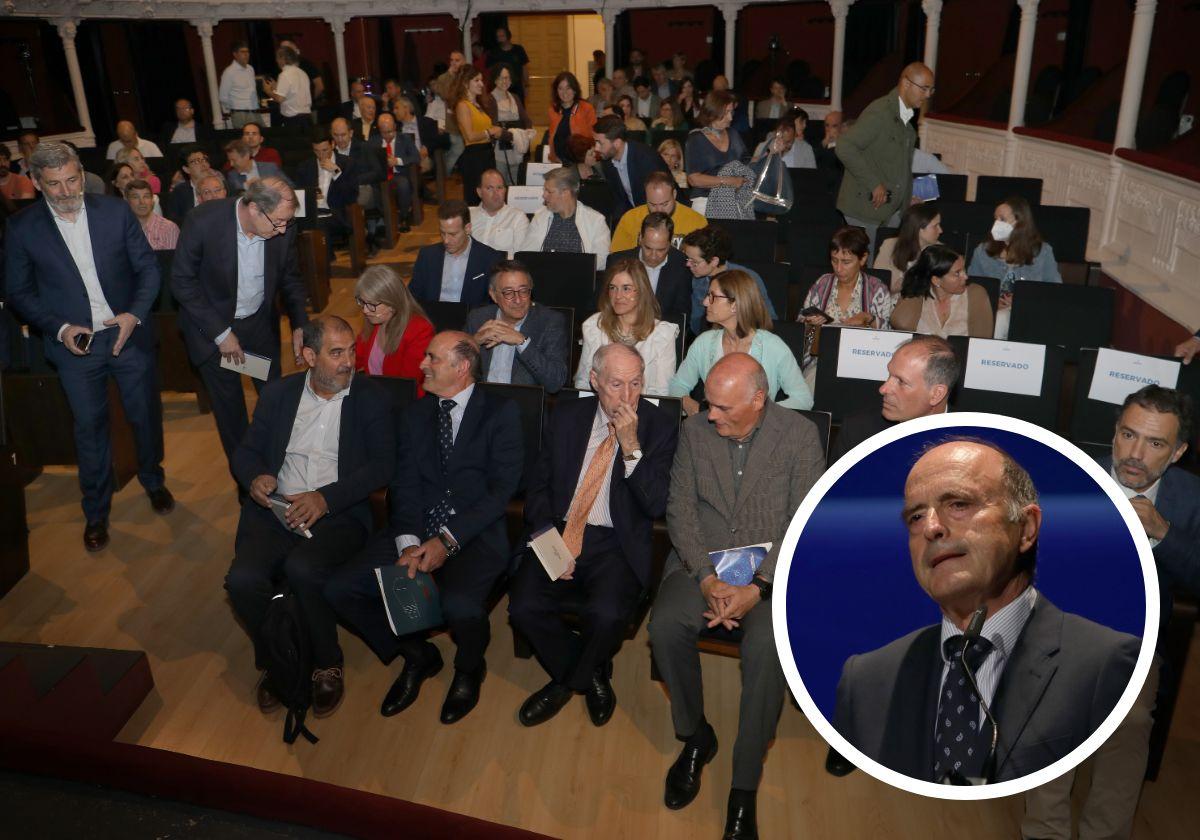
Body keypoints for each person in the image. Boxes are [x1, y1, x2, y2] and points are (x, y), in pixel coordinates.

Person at [834, 437, 1140, 783]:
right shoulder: (866, 679)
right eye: (916, 517)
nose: (932, 527)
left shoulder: (1106, 663)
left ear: (1026, 529)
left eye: (959, 504)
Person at [651, 353, 823, 840]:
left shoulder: (799, 436)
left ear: (758, 399)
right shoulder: (695, 431)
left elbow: (803, 519)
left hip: (770, 572)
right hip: (701, 560)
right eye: (709, 404)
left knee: (769, 651)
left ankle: (744, 783)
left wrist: (759, 585)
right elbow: (679, 509)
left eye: (723, 408)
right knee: (664, 628)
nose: (711, 416)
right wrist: (706, 578)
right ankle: (695, 736)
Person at [1023, 385, 1199, 840]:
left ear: (1178, 451)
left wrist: (1163, 534)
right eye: (1128, 435)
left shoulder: (1189, 497)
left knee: (1132, 720)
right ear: (1115, 432)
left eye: (1155, 443)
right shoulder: (1071, 475)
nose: (1135, 454)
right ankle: (1044, 831)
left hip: (1134, 640)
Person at [325, 331, 523, 724]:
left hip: (474, 533)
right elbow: (406, 485)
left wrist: (446, 542)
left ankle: (469, 669)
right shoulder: (415, 415)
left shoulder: (501, 413)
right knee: (339, 589)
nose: (422, 365)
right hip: (417, 528)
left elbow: (501, 493)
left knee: (460, 607)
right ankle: (418, 656)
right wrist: (408, 542)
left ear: (462, 367)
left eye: (432, 358)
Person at [4, 142, 172, 552]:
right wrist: (58, 328)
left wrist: (133, 314)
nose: (65, 191)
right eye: (54, 184)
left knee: (144, 414)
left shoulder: (114, 212)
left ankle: (153, 480)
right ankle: (96, 513)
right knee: (90, 430)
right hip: (74, 348)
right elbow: (19, 292)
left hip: (125, 336)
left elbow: (148, 269)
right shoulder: (23, 228)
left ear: (82, 174)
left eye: (72, 179)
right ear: (39, 185)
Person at [226, 315, 393, 717]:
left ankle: (326, 662)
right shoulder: (279, 395)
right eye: (336, 353)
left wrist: (325, 498)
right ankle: (280, 660)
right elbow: (245, 453)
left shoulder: (369, 398)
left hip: (337, 515)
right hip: (275, 510)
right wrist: (256, 478)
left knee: (303, 569)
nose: (348, 361)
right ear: (307, 356)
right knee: (242, 581)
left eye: (352, 350)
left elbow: (384, 465)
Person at [511, 342, 677, 727]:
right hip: (559, 530)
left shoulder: (659, 427)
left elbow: (656, 504)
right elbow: (538, 486)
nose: (627, 395)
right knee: (523, 608)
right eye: (616, 384)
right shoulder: (567, 415)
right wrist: (549, 541)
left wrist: (631, 446)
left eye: (636, 383)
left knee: (607, 615)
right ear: (594, 380)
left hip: (614, 543)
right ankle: (590, 671)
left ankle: (567, 682)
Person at [171, 177, 309, 472]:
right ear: (255, 208)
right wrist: (221, 335)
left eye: (288, 222)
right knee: (230, 409)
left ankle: (279, 465)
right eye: (278, 223)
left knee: (274, 397)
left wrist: (300, 324)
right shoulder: (203, 222)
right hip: (212, 332)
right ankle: (247, 478)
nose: (284, 230)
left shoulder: (282, 224)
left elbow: (291, 278)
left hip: (258, 327)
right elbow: (182, 282)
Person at [669, 269, 811, 413]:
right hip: (714, 430)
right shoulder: (704, 343)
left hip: (759, 433)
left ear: (735, 305)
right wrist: (692, 407)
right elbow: (677, 386)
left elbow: (803, 399)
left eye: (713, 297)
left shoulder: (773, 346)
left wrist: (761, 415)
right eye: (707, 295)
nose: (705, 302)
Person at [836, 63, 934, 256]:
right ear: (906, 84)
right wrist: (874, 184)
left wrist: (907, 198)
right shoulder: (880, 112)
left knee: (883, 268)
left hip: (890, 210)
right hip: (866, 208)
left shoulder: (906, 120)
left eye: (931, 89)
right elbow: (845, 147)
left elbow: (899, 167)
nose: (928, 95)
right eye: (924, 88)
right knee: (870, 271)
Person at [829, 335, 958, 463]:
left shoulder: (970, 441)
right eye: (889, 375)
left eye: (901, 381)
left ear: (936, 394)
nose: (883, 389)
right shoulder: (858, 432)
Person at [576, 259, 680, 395]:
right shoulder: (595, 326)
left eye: (626, 288)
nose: (618, 296)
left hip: (643, 410)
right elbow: (583, 381)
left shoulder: (661, 334)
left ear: (641, 291)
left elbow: (662, 392)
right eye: (613, 288)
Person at [466, 260, 569, 392]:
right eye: (508, 292)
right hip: (482, 401)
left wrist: (522, 342)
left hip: (522, 405)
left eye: (524, 291)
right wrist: (474, 342)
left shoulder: (549, 322)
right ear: (493, 295)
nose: (518, 300)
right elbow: (453, 371)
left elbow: (555, 382)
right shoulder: (478, 318)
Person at [968, 195, 1062, 340]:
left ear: (1020, 222)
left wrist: (1022, 300)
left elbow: (1054, 289)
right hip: (990, 309)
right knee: (999, 318)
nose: (996, 224)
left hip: (1029, 311)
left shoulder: (1043, 251)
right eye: (995, 218)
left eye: (1002, 219)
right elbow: (972, 286)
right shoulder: (982, 251)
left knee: (1003, 318)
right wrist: (992, 301)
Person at [801, 227, 894, 365]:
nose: (838, 268)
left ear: (862, 259)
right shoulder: (822, 283)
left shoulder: (877, 289)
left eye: (846, 262)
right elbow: (799, 327)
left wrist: (870, 319)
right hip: (821, 361)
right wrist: (809, 324)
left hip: (862, 363)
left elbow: (890, 336)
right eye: (834, 260)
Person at [681, 226, 777, 333]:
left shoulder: (746, 278)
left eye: (694, 262)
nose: (688, 264)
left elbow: (766, 321)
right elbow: (696, 322)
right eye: (687, 259)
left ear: (714, 261)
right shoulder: (697, 279)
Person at [409, 200, 503, 306]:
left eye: (452, 234)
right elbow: (413, 296)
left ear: (467, 228)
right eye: (442, 233)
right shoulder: (427, 256)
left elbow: (494, 303)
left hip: (472, 319)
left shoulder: (490, 258)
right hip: (433, 318)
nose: (446, 240)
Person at [352, 265, 433, 386]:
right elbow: (354, 359)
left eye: (371, 304)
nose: (365, 310)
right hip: (375, 391)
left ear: (392, 302)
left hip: (402, 399)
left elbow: (407, 385)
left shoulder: (419, 330)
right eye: (362, 302)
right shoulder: (374, 321)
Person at [608, 211, 694, 323]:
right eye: (648, 248)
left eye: (661, 250)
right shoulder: (617, 261)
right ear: (640, 239)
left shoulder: (682, 265)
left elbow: (682, 315)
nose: (653, 256)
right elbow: (605, 306)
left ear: (670, 243)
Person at [519, 166, 611, 270]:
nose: (544, 195)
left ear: (565, 193)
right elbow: (526, 254)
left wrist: (566, 266)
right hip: (544, 277)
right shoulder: (540, 217)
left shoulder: (596, 221)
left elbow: (602, 261)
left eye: (549, 191)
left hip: (579, 279)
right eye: (544, 190)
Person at [891, 244, 992, 338]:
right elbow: (901, 325)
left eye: (964, 270)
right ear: (936, 280)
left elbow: (981, 341)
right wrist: (914, 287)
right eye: (957, 273)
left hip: (962, 356)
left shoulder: (975, 294)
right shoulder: (918, 296)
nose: (965, 277)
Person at [292, 130, 359, 267]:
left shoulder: (347, 163)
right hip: (313, 212)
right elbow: (298, 194)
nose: (321, 155)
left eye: (325, 150)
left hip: (337, 213)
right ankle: (309, 267)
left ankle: (322, 266)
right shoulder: (305, 166)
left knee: (319, 224)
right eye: (317, 151)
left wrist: (336, 172)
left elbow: (352, 195)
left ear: (333, 145)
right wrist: (310, 196)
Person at [685, 90, 748, 215]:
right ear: (713, 112)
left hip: (733, 201)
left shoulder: (733, 134)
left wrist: (769, 152)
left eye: (732, 112)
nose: (730, 117)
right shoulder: (696, 139)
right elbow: (693, 179)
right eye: (726, 113)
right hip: (705, 201)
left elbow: (747, 163)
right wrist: (729, 181)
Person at [594, 115, 671, 218]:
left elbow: (659, 202)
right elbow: (619, 201)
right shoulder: (607, 160)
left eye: (600, 143)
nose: (596, 148)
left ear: (617, 143)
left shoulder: (647, 160)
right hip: (635, 217)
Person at [452, 66, 503, 208]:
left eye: (481, 80)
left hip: (486, 154)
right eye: (477, 80)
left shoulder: (478, 105)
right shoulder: (463, 106)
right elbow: (470, 136)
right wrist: (490, 132)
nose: (481, 84)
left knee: (488, 198)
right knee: (475, 199)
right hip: (474, 157)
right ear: (465, 83)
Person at [874, 202, 943, 294]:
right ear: (919, 229)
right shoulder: (890, 245)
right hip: (892, 301)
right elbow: (877, 284)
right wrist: (895, 288)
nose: (941, 230)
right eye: (935, 226)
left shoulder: (941, 251)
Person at [469, 169, 531, 258]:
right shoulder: (468, 215)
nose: (496, 193)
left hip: (503, 269)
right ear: (479, 192)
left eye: (499, 188)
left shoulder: (517, 217)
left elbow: (521, 256)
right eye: (489, 188)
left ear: (505, 191)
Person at [374, 113, 420, 232]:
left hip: (399, 174)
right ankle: (385, 218)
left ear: (395, 126)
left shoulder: (405, 139)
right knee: (373, 187)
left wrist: (397, 161)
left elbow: (416, 157)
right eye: (384, 132)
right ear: (379, 130)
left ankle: (403, 216)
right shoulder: (373, 142)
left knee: (403, 184)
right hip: (380, 176)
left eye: (390, 131)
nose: (388, 135)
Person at [487, 64, 532, 183]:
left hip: (517, 148)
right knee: (500, 183)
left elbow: (526, 120)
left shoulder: (515, 97)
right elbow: (493, 127)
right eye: (501, 78)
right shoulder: (490, 99)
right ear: (495, 79)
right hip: (500, 151)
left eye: (507, 78)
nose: (504, 81)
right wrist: (513, 135)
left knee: (516, 184)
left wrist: (527, 132)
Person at [547, 72, 597, 165]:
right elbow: (552, 137)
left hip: (581, 162)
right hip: (558, 161)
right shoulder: (553, 110)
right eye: (560, 88)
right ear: (556, 91)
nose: (564, 92)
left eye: (568, 88)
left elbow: (594, 138)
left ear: (574, 89)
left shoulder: (586, 108)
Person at [433, 50, 468, 172]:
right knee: (458, 147)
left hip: (467, 119)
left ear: (463, 62)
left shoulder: (467, 76)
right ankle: (444, 173)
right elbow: (445, 95)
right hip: (451, 122)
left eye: (457, 60)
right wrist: (450, 74)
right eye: (451, 60)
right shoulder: (444, 78)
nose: (453, 63)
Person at [263, 46, 312, 129]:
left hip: (294, 120)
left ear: (283, 58)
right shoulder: (302, 73)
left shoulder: (285, 74)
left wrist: (268, 91)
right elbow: (293, 93)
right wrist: (277, 87)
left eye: (278, 58)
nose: (276, 61)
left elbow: (279, 99)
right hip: (307, 118)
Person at [125, 179, 179, 251]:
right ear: (127, 202)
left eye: (146, 196)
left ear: (152, 201)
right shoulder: (120, 229)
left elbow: (173, 261)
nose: (142, 202)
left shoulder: (169, 229)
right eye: (135, 197)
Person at [165, 147, 213, 223]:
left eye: (204, 160)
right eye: (196, 161)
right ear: (186, 169)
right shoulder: (179, 192)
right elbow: (173, 221)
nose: (203, 164)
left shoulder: (223, 186)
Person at [219, 42, 259, 128]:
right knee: (244, 140)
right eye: (242, 52)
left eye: (247, 52)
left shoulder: (250, 69)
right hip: (240, 113)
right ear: (235, 54)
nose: (246, 54)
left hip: (254, 110)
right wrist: (236, 109)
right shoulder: (229, 72)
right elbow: (223, 96)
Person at [486, 26, 529, 98]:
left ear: (508, 36)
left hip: (517, 87)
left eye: (502, 36)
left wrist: (526, 85)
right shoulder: (494, 52)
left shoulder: (518, 49)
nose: (500, 39)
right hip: (501, 86)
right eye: (498, 37)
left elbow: (524, 68)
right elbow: (490, 71)